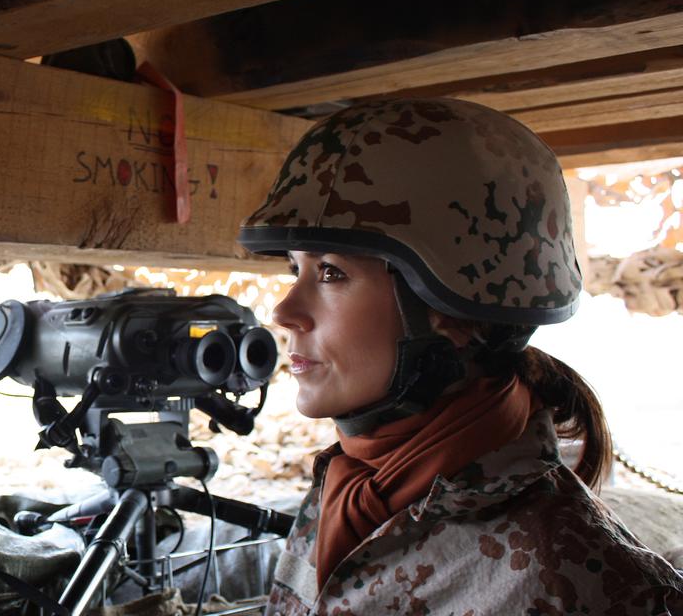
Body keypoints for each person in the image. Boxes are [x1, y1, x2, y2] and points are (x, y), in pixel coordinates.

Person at [239, 98, 683, 614]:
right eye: (296, 270)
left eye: (332, 272)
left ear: (450, 310)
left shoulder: (574, 582)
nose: (285, 310)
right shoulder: (351, 490)